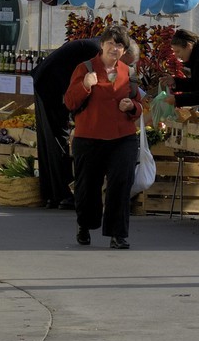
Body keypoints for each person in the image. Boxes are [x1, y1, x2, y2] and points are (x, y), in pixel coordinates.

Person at [63, 24, 143, 250]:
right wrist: (85, 86)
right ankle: (85, 226)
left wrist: (132, 106)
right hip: (90, 137)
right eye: (111, 43)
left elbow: (139, 103)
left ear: (124, 50)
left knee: (120, 183)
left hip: (122, 138)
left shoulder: (129, 72)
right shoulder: (85, 68)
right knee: (87, 186)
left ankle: (118, 234)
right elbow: (69, 102)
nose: (115, 49)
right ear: (102, 45)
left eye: (120, 45)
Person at [32, 36, 102, 208]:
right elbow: (93, 86)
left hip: (44, 80)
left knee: (48, 139)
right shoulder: (96, 53)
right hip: (51, 86)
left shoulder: (93, 45)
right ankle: (64, 193)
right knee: (59, 140)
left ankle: (51, 194)